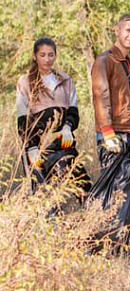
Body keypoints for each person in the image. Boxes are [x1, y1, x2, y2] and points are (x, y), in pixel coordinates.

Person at [16, 37, 91, 195]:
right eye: (42, 55)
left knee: (84, 187)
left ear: (55, 55)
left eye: (51, 55)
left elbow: (73, 111)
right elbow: (23, 120)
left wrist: (67, 127)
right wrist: (32, 147)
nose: (47, 59)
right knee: (42, 195)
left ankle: (93, 216)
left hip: (62, 144)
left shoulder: (65, 80)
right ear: (35, 56)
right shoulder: (25, 82)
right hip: (38, 148)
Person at [92, 13, 130, 188]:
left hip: (129, 132)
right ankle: (106, 217)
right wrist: (107, 133)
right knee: (115, 190)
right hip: (113, 133)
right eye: (128, 30)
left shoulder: (126, 61)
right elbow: (101, 96)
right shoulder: (104, 60)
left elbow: (127, 100)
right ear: (117, 31)